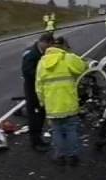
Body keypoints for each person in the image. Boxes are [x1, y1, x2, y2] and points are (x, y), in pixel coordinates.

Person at [35, 37, 89, 166]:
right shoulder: (68, 58)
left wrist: (43, 103)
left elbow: (38, 87)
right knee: (71, 130)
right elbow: (83, 68)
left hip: (52, 106)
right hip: (68, 102)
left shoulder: (41, 63)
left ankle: (60, 156)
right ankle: (73, 156)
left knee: (57, 131)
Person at [22, 33, 54, 152]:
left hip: (40, 90)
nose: (49, 48)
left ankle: (38, 139)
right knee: (35, 117)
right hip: (32, 91)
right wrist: (44, 75)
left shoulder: (41, 52)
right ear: (44, 42)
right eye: (49, 45)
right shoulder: (31, 54)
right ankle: (35, 143)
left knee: (40, 115)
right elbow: (27, 72)